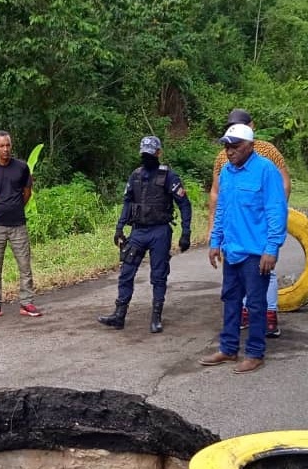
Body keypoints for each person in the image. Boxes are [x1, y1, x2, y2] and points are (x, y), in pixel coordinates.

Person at [199, 123, 288, 374]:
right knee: (230, 300)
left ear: (250, 145)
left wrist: (271, 249)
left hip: (256, 253)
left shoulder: (265, 171)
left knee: (256, 304)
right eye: (227, 147)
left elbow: (276, 211)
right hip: (232, 250)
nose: (229, 151)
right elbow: (222, 211)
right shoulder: (227, 172)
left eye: (235, 146)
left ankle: (254, 353)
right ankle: (228, 349)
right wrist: (215, 242)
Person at [97, 135, 192, 333]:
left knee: (158, 275)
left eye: (150, 153)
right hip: (138, 231)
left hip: (160, 231)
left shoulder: (169, 177)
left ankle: (156, 317)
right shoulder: (136, 175)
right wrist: (119, 228)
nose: (147, 157)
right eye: (144, 154)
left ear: (159, 153)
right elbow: (127, 203)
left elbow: (184, 204)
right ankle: (119, 315)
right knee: (126, 273)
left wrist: (186, 232)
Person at [0, 130, 41, 319]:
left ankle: (26, 302)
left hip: (18, 225)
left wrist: (15, 207)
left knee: (24, 265)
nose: (6, 149)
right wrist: (0, 206)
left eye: (8, 145)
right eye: (2, 146)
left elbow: (27, 192)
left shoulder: (21, 168)